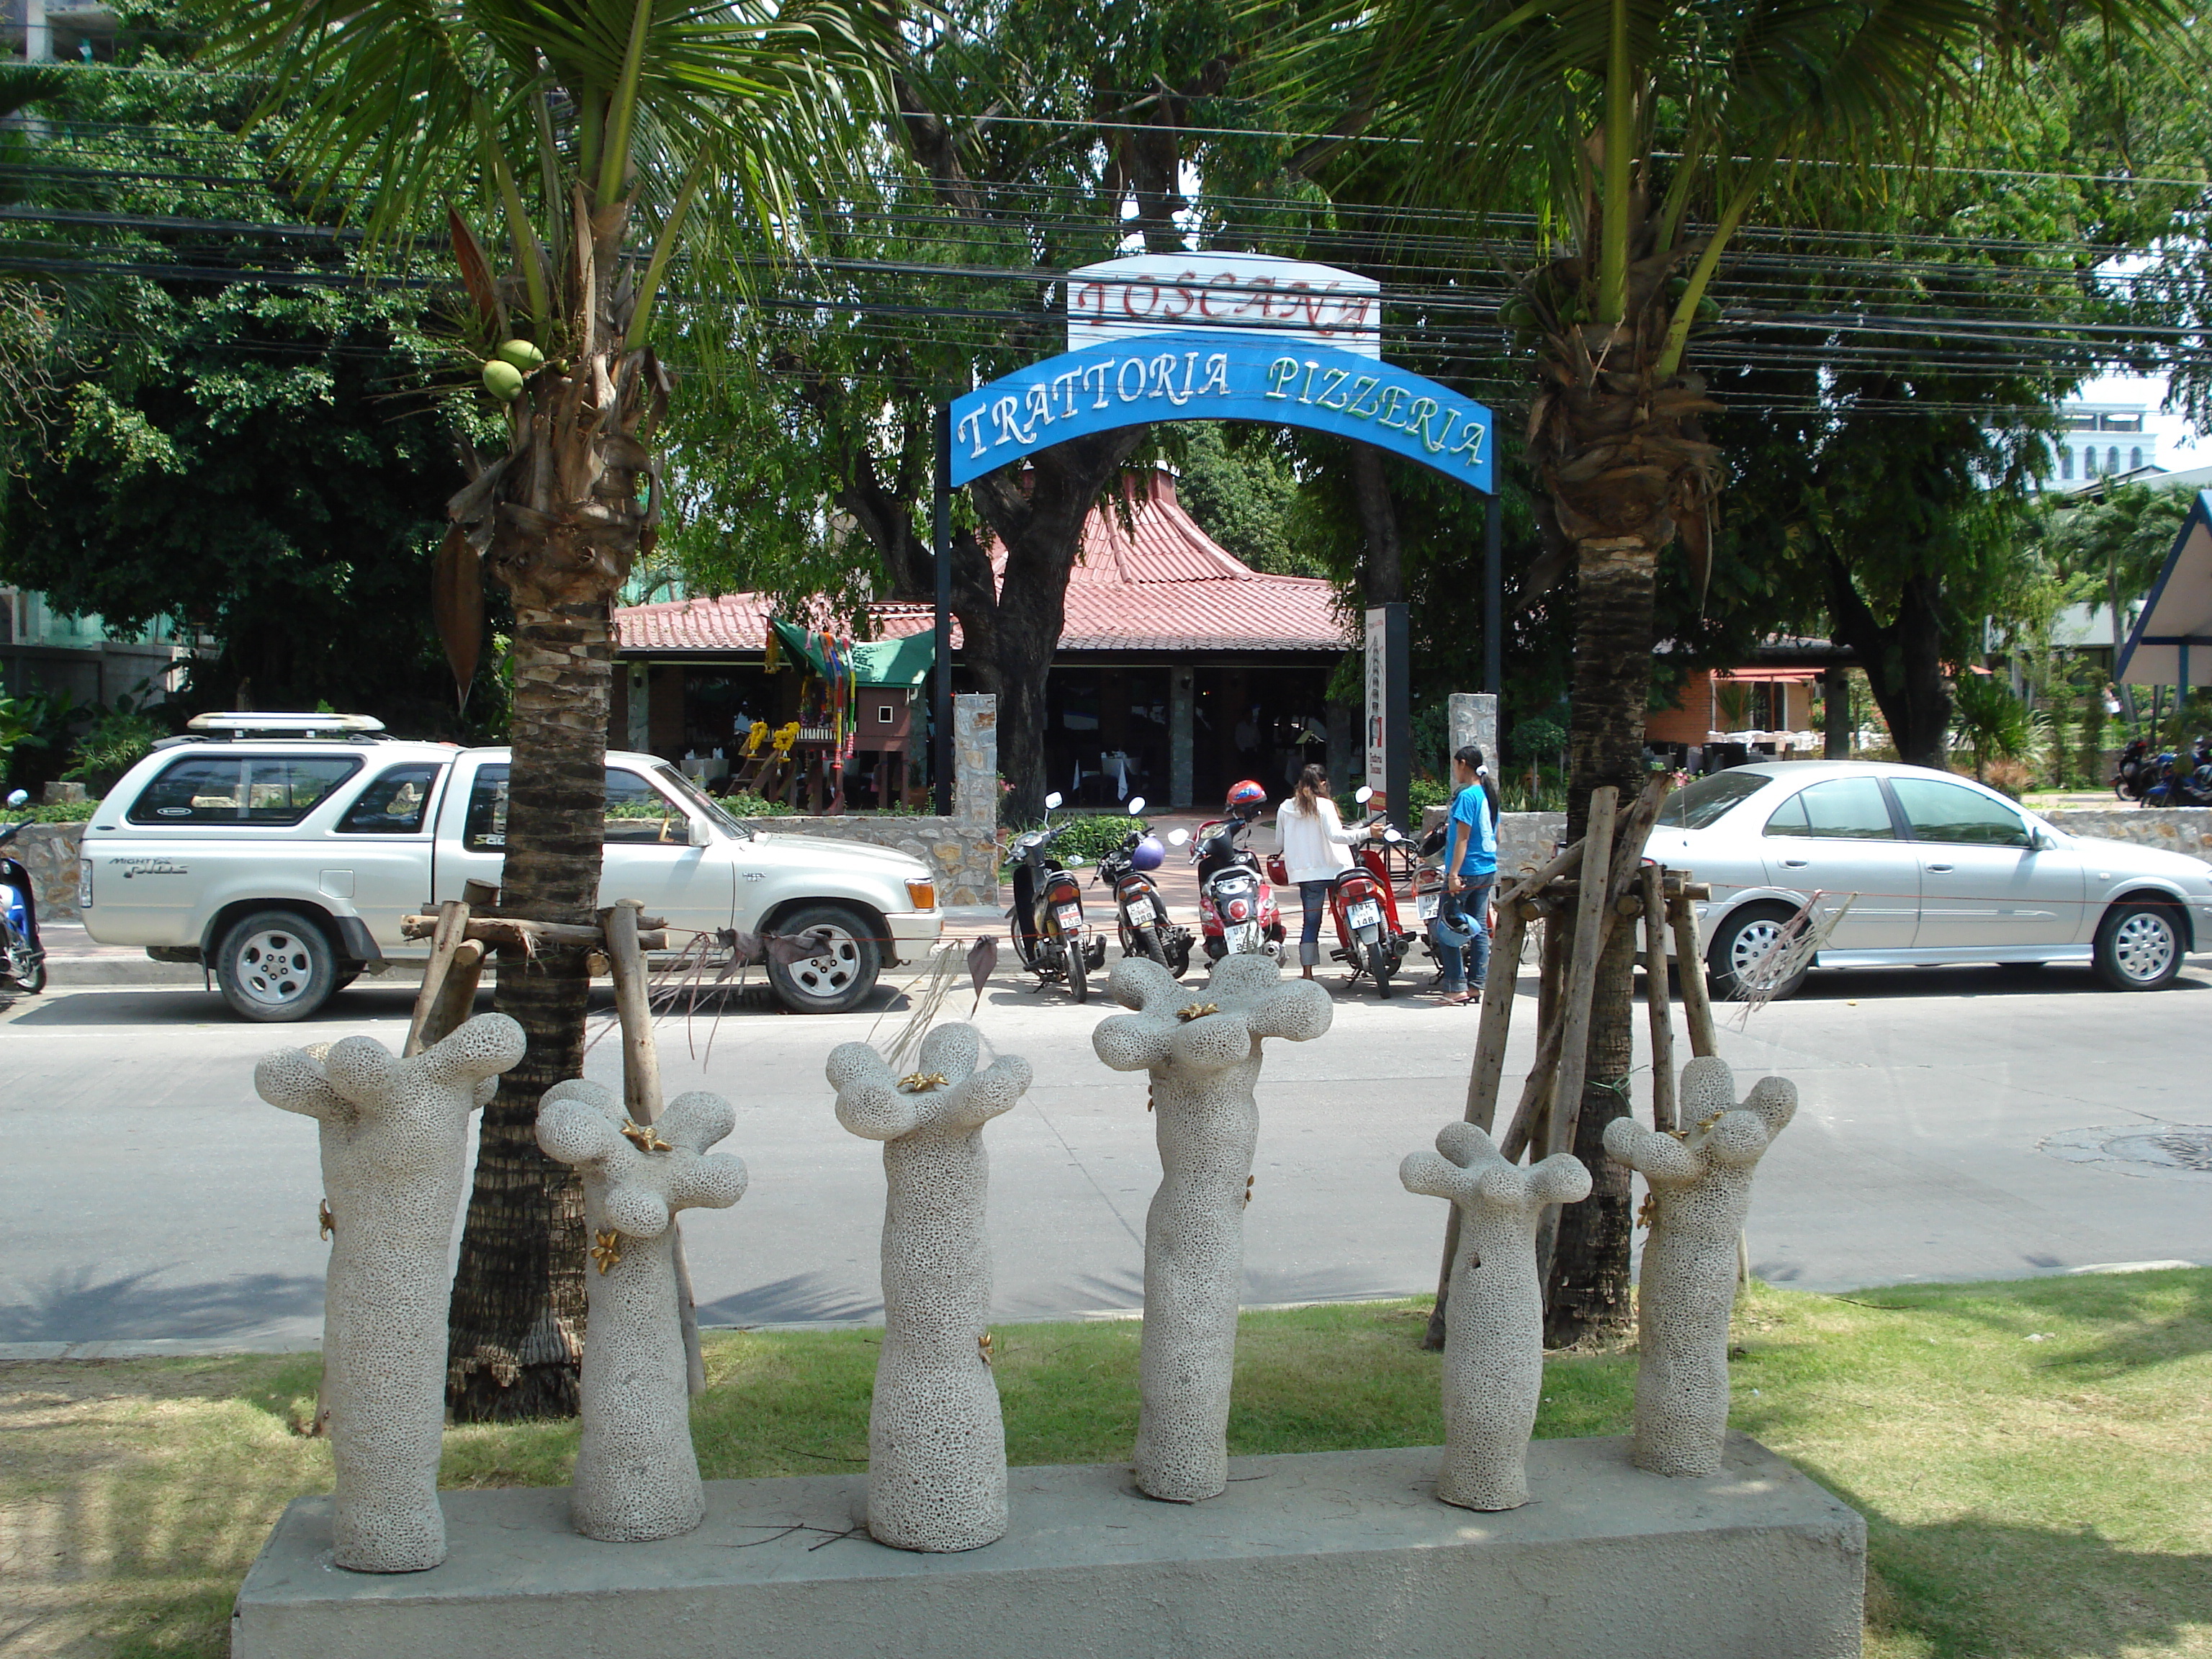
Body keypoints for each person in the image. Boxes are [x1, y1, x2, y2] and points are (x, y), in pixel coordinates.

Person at [1273, 763, 1380, 981]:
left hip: (1305, 875)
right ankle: (1365, 950)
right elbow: (1337, 836)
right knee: (1355, 911)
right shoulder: (1324, 805)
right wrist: (1367, 832)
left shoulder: (1285, 807)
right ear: (1322, 783)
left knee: (1311, 923)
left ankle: (1308, 973)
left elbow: (1279, 842)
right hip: (1337, 870)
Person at [1437, 745, 1498, 1005]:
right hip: (1486, 869)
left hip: (1468, 870)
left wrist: (1453, 874)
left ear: (1463, 764)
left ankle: (1456, 986)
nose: (1455, 770)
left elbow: (1462, 838)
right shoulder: (1487, 794)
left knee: (1448, 927)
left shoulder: (1467, 796)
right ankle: (1476, 985)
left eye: (1455, 765)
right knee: (1479, 928)